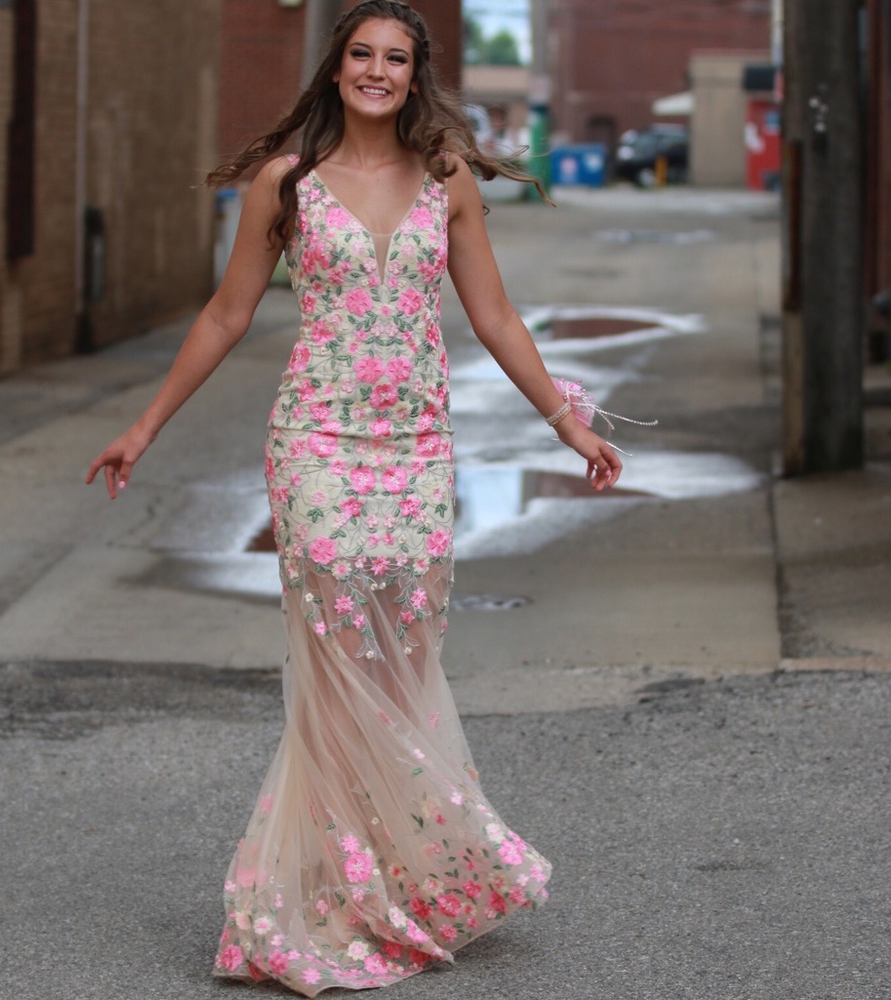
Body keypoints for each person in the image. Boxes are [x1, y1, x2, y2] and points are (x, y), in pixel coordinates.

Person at [87, 2, 622, 994]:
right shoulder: (281, 184)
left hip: (417, 450)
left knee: (403, 670)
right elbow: (225, 312)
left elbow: (494, 313)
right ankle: (323, 903)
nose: (377, 71)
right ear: (336, 69)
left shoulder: (447, 181)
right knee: (336, 675)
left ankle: (405, 883)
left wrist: (568, 421)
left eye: (396, 58)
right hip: (318, 447)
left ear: (415, 76)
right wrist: (144, 425)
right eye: (362, 55)